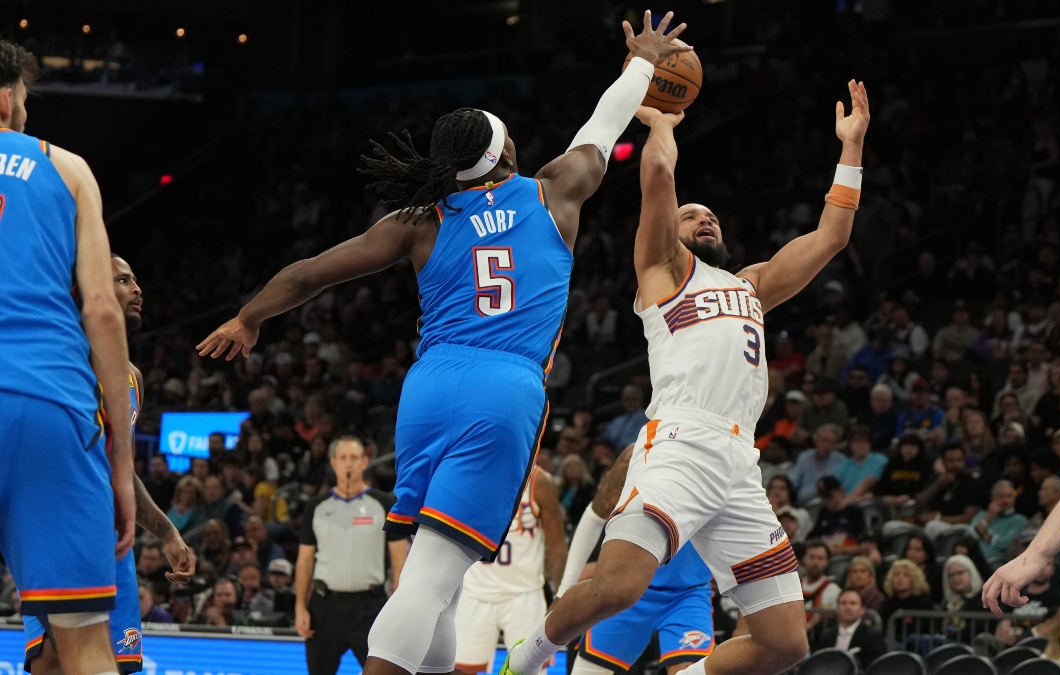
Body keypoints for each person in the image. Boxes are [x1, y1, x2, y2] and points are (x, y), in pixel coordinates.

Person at [202, 16, 689, 675]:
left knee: (445, 582)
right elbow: (605, 122)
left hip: (430, 382)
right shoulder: (554, 191)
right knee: (432, 577)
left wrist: (247, 318)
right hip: (503, 386)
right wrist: (643, 62)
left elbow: (311, 272)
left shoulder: (420, 220)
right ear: (505, 151)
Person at [503, 79, 869, 675]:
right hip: (680, 443)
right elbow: (657, 178)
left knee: (784, 643)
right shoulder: (662, 271)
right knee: (619, 586)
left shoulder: (752, 284)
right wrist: (662, 126)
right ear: (669, 231)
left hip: (739, 461)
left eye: (712, 216)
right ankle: (527, 658)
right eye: (691, 215)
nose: (705, 219)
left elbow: (833, 236)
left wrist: (851, 146)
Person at [0, 40, 134, 675]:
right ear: (6, 100)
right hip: (49, 402)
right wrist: (121, 460)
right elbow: (103, 310)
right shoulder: (69, 169)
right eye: (26, 100)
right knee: (83, 645)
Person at [24, 255, 197, 675]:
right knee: (54, 660)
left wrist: (167, 532)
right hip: (57, 530)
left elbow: (122, 470)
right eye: (122, 280)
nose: (137, 289)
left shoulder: (133, 378)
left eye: (135, 279)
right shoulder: (54, 361)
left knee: (113, 663)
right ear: (89, 291)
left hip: (111, 539)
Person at [557, 447, 717, 675]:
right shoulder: (639, 452)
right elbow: (595, 516)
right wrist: (562, 592)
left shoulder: (725, 456)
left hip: (687, 593)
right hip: (627, 588)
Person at [294, 437, 409, 675]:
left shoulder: (384, 503)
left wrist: (397, 608)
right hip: (324, 607)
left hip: (369, 607)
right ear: (333, 463)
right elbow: (305, 561)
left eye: (354, 458)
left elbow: (400, 560)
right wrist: (300, 607)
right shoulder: (316, 506)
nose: (349, 463)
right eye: (343, 458)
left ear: (365, 462)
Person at [453, 466, 566, 674]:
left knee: (531, 669)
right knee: (460, 669)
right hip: (474, 591)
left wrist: (560, 595)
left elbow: (557, 545)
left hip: (525, 594)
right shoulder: (467, 473)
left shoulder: (539, 481)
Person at [914, 444, 987, 535]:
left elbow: (970, 517)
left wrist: (938, 519)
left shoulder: (973, 482)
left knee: (932, 526)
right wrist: (937, 486)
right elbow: (917, 506)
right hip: (933, 525)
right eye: (951, 461)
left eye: (959, 460)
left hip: (959, 529)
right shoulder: (936, 480)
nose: (955, 464)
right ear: (943, 462)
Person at [813, 589, 888, 668]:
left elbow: (875, 667)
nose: (848, 607)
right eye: (843, 603)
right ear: (837, 608)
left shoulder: (873, 637)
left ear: (862, 609)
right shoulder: (826, 636)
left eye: (853, 603)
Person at [967, 480, 1029, 561]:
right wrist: (989, 517)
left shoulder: (1019, 520)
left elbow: (1004, 544)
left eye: (1010, 496)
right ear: (993, 498)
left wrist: (985, 535)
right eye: (1001, 496)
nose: (1006, 500)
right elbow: (968, 538)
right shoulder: (981, 515)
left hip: (997, 561)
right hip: (971, 559)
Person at [790, 424, 848, 504]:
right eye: (823, 440)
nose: (826, 445)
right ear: (816, 440)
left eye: (831, 442)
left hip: (828, 503)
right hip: (802, 502)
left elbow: (844, 486)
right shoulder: (804, 457)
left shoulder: (841, 460)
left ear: (836, 445)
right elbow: (793, 481)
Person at [875, 434, 933, 507]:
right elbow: (883, 484)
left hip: (914, 500)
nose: (908, 449)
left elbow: (927, 487)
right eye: (905, 446)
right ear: (900, 447)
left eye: (912, 446)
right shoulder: (892, 463)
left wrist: (910, 496)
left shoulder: (925, 465)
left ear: (919, 449)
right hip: (892, 499)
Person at [811, 477, 865, 555]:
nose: (826, 500)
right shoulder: (823, 513)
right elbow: (814, 538)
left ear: (840, 491)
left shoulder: (853, 511)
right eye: (823, 497)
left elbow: (864, 544)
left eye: (829, 496)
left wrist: (842, 550)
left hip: (850, 555)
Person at [834, 426, 888, 503]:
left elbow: (870, 481)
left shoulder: (879, 460)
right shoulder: (845, 464)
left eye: (864, 442)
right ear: (850, 445)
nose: (860, 445)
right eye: (856, 442)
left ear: (870, 444)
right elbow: (836, 486)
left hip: (867, 501)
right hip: (844, 501)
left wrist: (847, 501)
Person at [879, 560, 934, 630]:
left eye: (906, 575)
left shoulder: (923, 602)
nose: (900, 578)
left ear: (914, 579)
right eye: (896, 574)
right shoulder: (888, 603)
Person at [800, 542, 842, 626]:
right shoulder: (792, 586)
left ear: (827, 562)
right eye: (812, 557)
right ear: (804, 559)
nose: (815, 562)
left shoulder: (833, 591)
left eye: (820, 558)